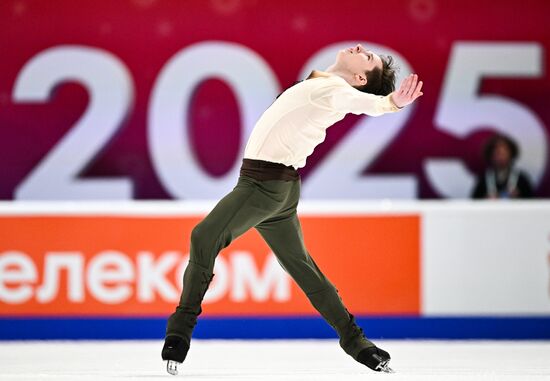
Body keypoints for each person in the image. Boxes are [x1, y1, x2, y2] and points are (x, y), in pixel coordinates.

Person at [161, 44, 424, 375]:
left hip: (262, 185)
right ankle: (359, 344)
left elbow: (359, 102)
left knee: (203, 237)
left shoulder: (335, 90)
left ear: (359, 77)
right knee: (303, 269)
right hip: (281, 190)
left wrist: (391, 103)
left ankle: (179, 333)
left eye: (367, 57)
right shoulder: (321, 84)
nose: (360, 48)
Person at [471, 134, 533, 199]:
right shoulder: (484, 179)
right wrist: (485, 198)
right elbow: (473, 202)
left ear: (511, 154)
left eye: (504, 153)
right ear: (490, 156)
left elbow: (534, 202)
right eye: (497, 153)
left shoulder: (521, 178)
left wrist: (519, 196)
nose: (501, 157)